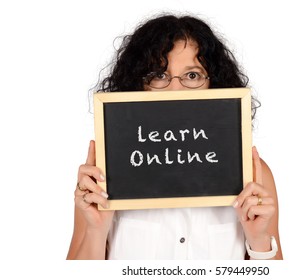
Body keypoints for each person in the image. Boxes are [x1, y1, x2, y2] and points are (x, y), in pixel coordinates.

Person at [67, 14, 283, 260]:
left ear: (214, 84)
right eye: (159, 75)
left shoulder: (253, 174)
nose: (175, 89)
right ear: (139, 85)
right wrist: (96, 231)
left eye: (192, 75)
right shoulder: (104, 174)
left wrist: (259, 241)